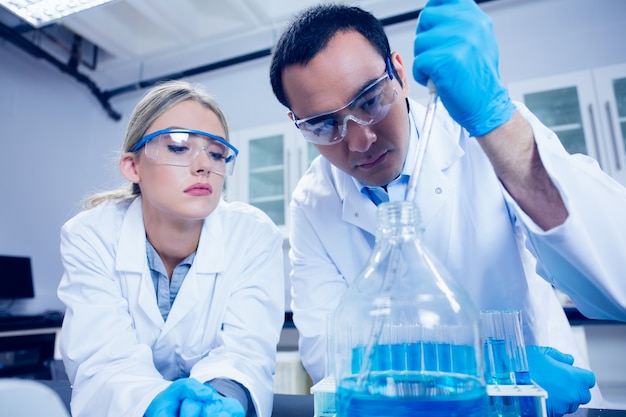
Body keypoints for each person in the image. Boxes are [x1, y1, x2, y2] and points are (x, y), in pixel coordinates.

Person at [269, 0, 626, 415]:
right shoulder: (313, 201)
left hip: (539, 405)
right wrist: (491, 371)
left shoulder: (485, 133)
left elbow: (616, 283)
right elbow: (329, 354)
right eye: (325, 125)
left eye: (369, 101)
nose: (359, 140)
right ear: (299, 124)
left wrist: (496, 123)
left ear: (399, 74)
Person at [57, 80, 284, 417]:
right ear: (133, 167)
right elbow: (102, 357)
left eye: (217, 152)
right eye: (178, 147)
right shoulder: (90, 235)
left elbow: (246, 351)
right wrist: (149, 404)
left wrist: (222, 397)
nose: (204, 164)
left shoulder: (253, 234)